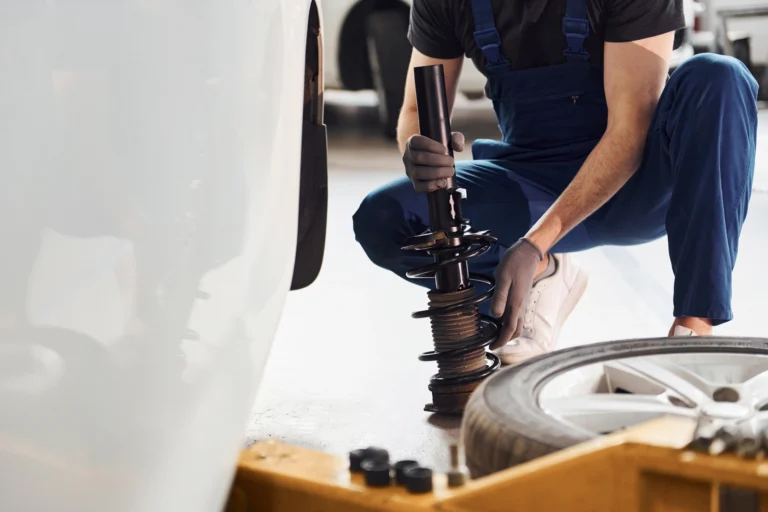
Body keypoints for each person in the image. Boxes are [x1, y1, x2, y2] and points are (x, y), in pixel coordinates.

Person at [353, 0, 759, 365]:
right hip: (532, 183)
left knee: (717, 77)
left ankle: (693, 331)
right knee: (385, 217)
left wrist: (534, 241)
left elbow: (630, 130)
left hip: (642, 186)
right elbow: (413, 107)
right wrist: (417, 148)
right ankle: (543, 275)